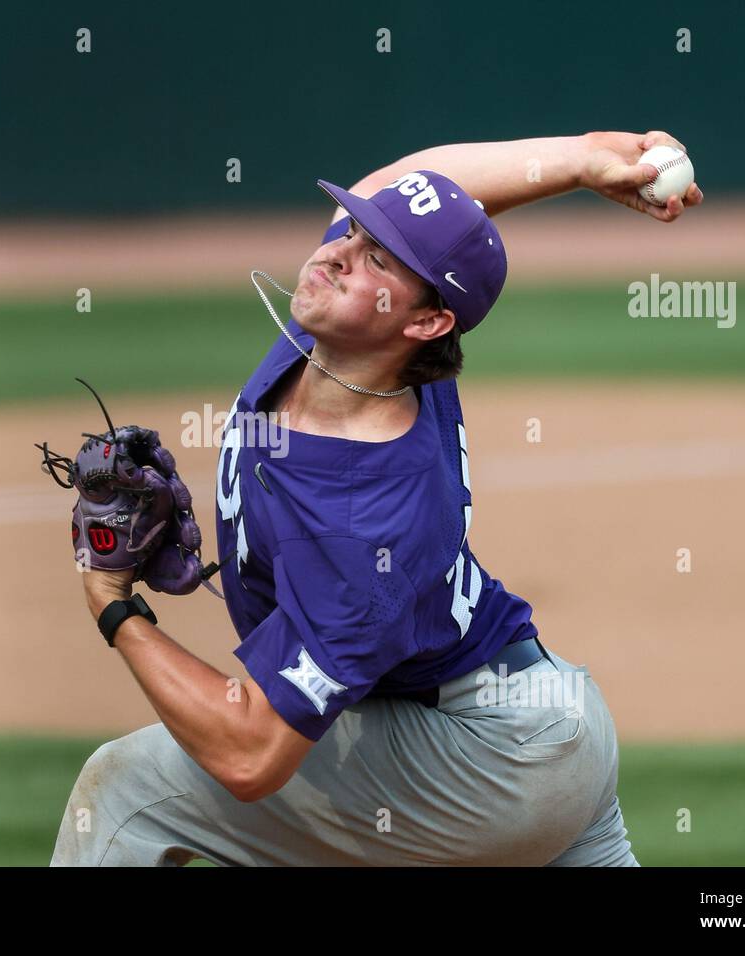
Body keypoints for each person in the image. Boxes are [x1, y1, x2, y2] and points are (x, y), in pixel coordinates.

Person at [50, 130, 703, 866]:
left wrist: (112, 602)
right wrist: (583, 159)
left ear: (425, 321)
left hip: (484, 764)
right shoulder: (351, 336)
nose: (334, 254)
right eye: (353, 232)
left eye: (375, 258)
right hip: (546, 722)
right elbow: (415, 183)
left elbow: (251, 756)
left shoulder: (367, 523)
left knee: (127, 791)